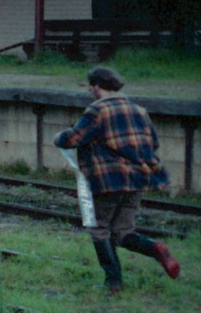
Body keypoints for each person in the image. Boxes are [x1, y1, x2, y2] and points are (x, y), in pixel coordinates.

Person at [54, 66, 181, 292]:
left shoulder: (97, 110)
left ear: (96, 86)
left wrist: (59, 136)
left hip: (108, 180)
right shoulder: (138, 110)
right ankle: (156, 247)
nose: (90, 92)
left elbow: (73, 139)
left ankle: (113, 282)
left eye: (90, 88)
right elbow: (153, 144)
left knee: (99, 228)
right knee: (123, 232)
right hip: (138, 179)